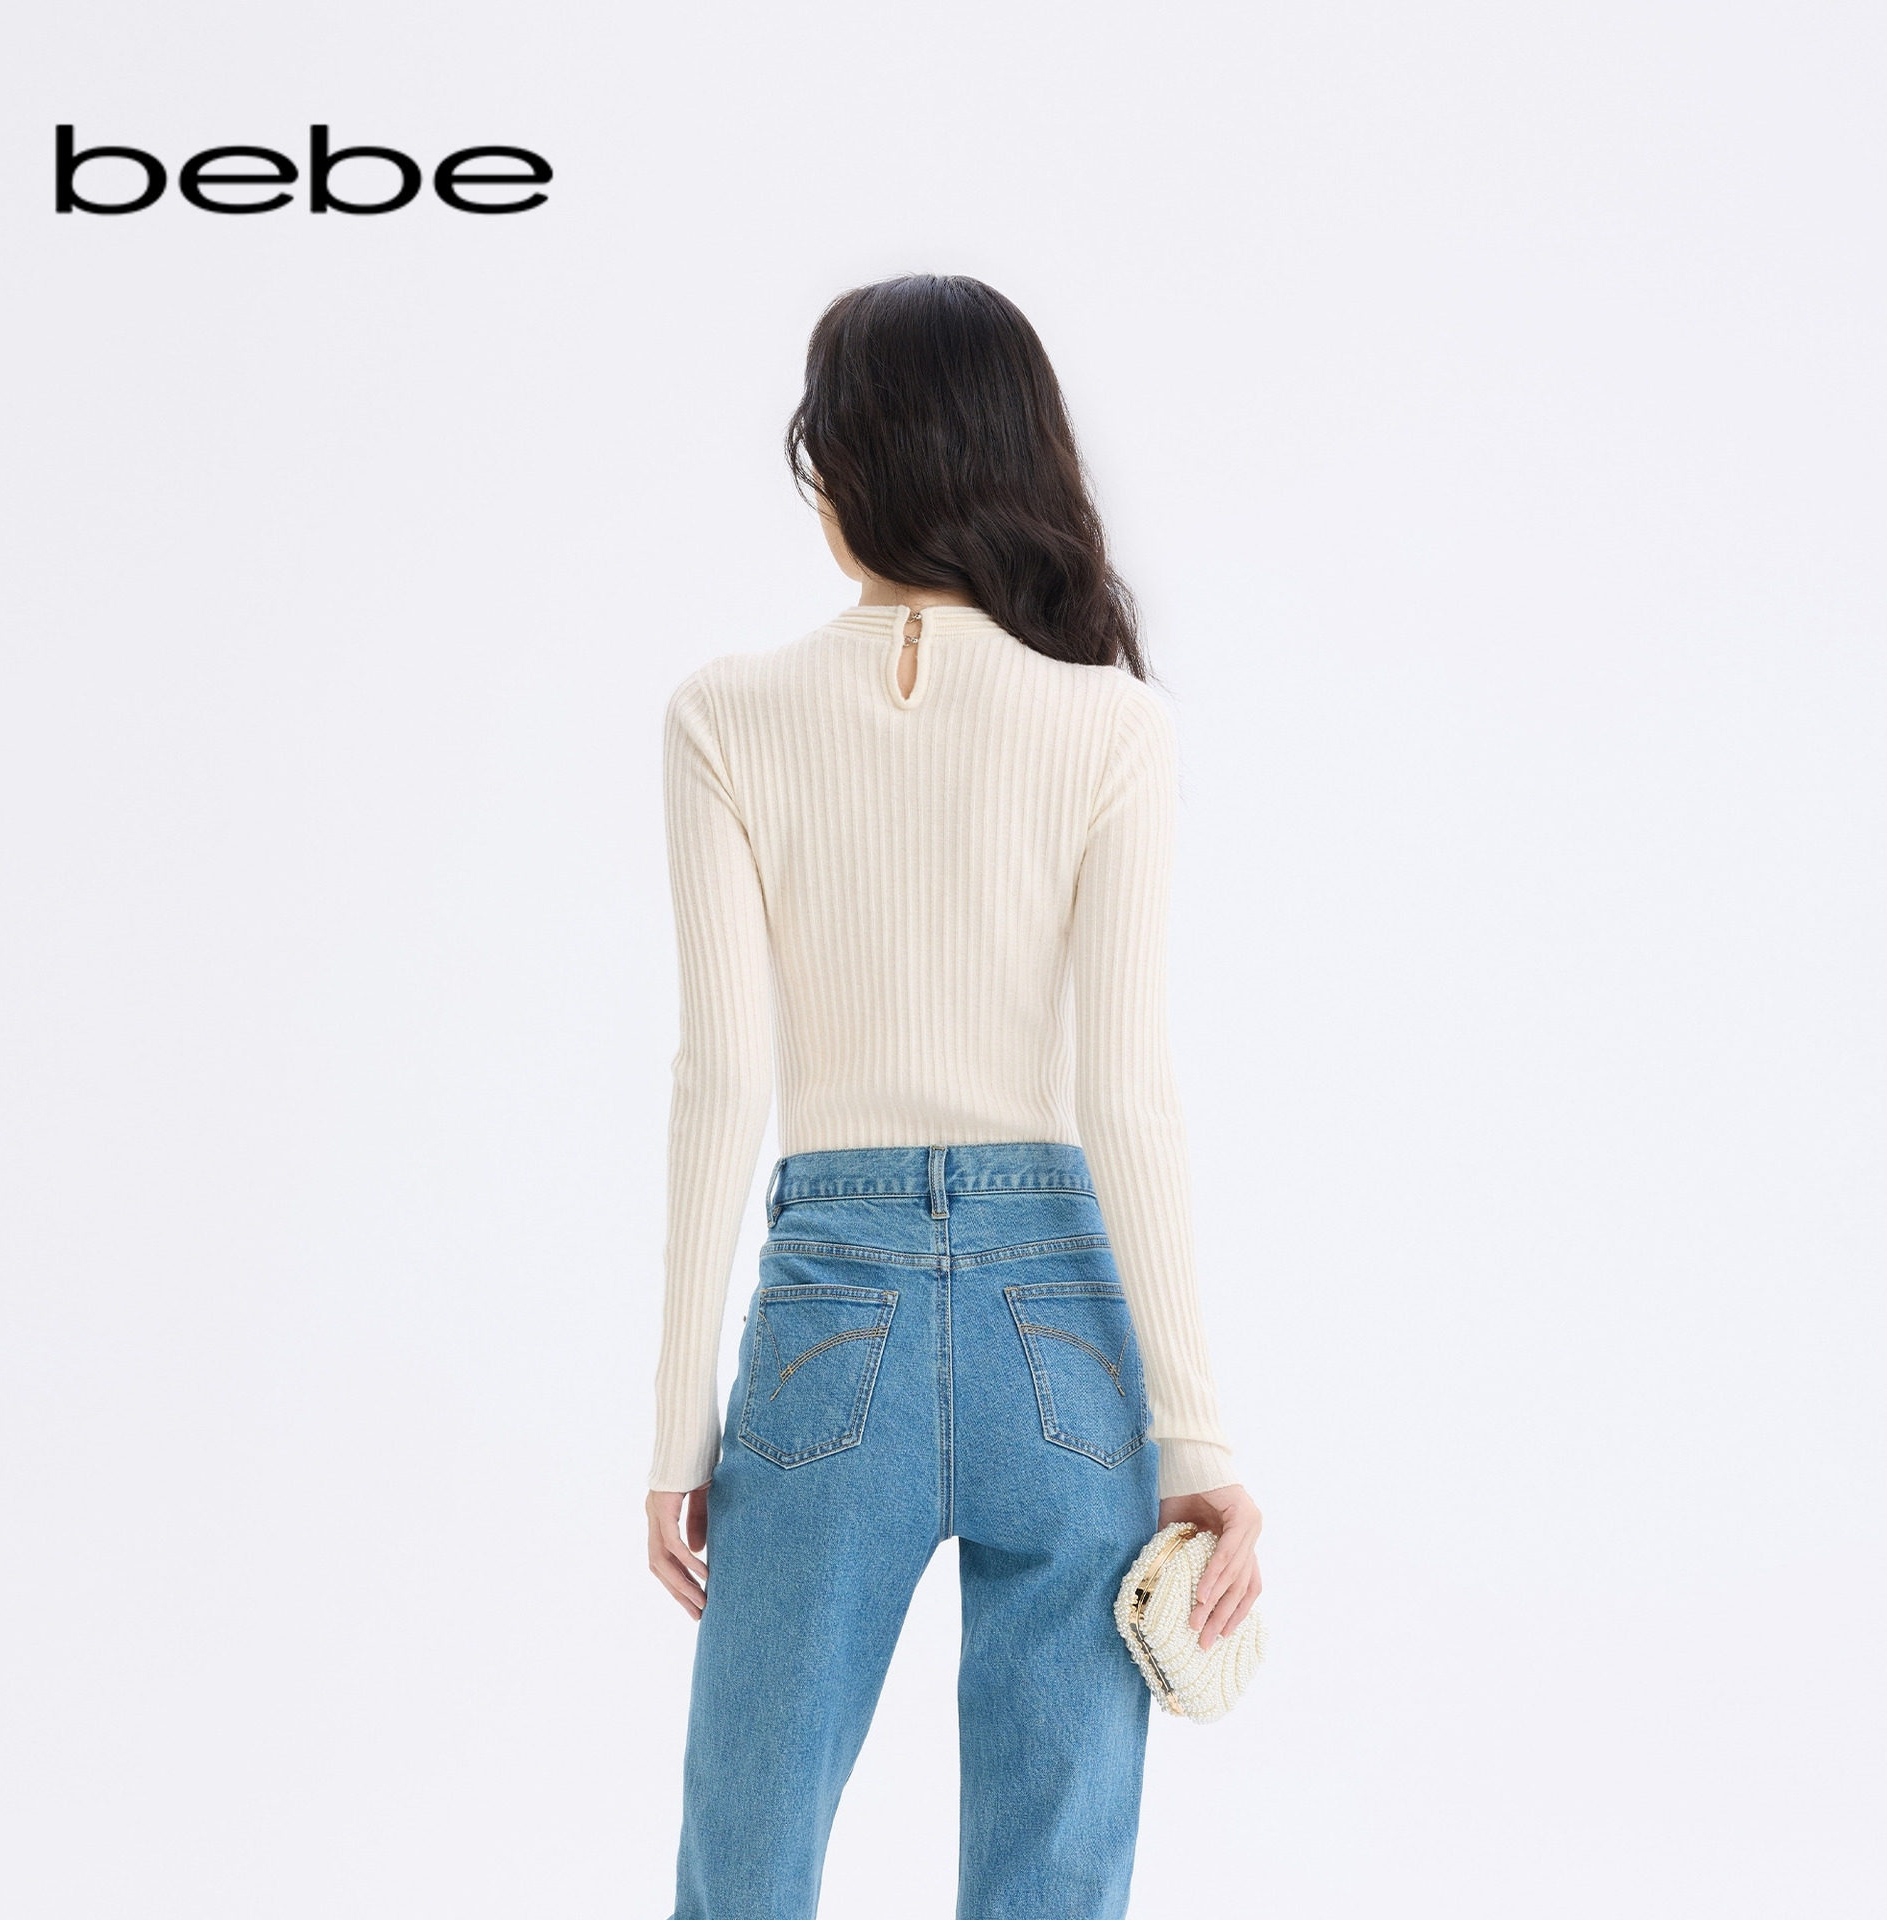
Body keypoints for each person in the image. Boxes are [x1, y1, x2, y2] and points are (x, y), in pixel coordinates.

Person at [643, 273, 1263, 1920]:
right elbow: (1127, 1094)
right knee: (1056, 1867)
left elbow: (722, 1079)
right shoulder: (1111, 725)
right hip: (1064, 1325)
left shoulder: (725, 716)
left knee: (747, 1850)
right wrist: (1196, 1429)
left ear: (845, 463)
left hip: (827, 1315)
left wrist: (676, 1428)